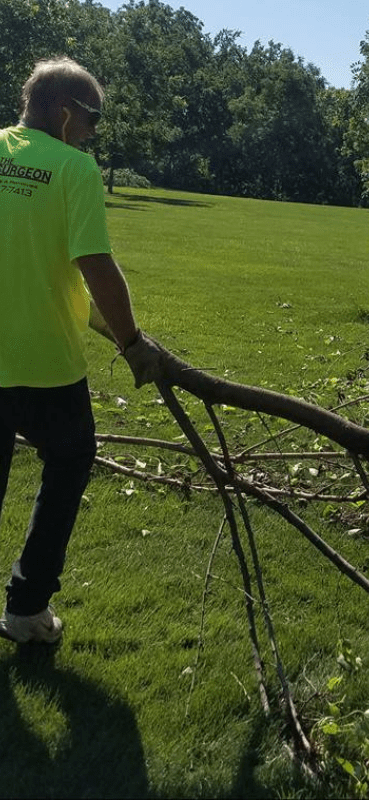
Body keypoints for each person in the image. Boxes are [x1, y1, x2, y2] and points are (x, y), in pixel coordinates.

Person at [0, 57, 164, 644]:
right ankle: (25, 611)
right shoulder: (74, 168)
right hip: (44, 367)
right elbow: (94, 266)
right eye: (92, 118)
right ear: (63, 113)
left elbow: (48, 276)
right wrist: (134, 345)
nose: (95, 131)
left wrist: (122, 336)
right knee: (69, 462)